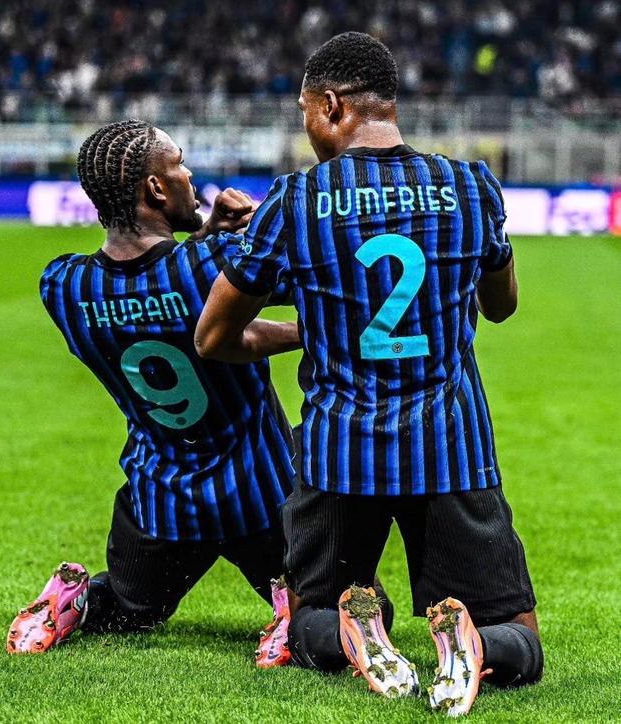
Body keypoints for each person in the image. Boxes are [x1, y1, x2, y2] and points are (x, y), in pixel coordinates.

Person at [194, 32, 543, 716]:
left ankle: (360, 629)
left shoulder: (294, 203)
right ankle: (473, 642)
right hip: (451, 447)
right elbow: (501, 306)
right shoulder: (471, 187)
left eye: (304, 112)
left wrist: (312, 324)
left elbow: (213, 336)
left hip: (338, 454)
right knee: (520, 634)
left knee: (308, 619)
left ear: (330, 105)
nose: (306, 128)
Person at [6, 120, 300, 660]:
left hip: (160, 503)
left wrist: (205, 234)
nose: (190, 174)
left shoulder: (65, 287)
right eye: (180, 164)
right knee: (348, 602)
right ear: (156, 189)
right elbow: (230, 301)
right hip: (260, 494)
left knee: (129, 608)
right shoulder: (215, 264)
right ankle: (293, 610)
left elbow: (157, 298)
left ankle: (76, 600)